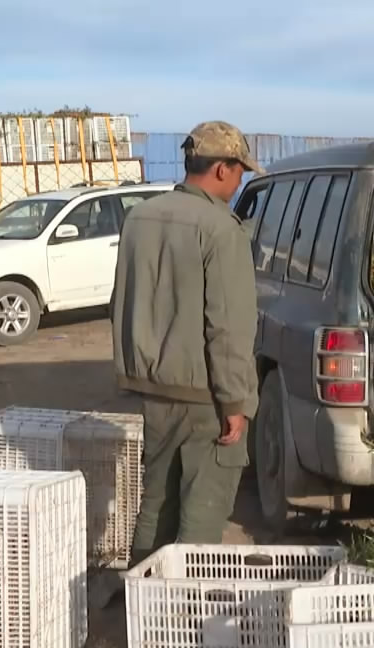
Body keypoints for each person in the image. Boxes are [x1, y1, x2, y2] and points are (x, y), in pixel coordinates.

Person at [111, 121, 263, 565]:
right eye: (239, 173)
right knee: (202, 514)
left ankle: (141, 604)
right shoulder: (220, 229)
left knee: (156, 505)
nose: (239, 183)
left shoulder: (140, 217)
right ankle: (182, 617)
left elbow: (123, 299)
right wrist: (235, 401)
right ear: (221, 169)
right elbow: (228, 326)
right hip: (207, 399)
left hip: (155, 390)